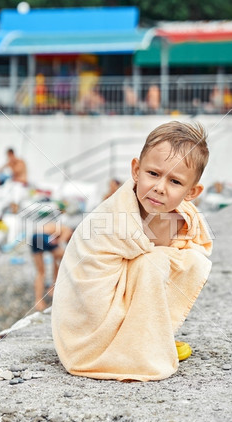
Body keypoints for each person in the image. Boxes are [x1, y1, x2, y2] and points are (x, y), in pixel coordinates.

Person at [52, 121, 213, 382]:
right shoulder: (115, 218)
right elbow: (89, 290)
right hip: (88, 328)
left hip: (116, 297)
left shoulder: (176, 214)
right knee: (158, 263)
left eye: (174, 181)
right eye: (153, 174)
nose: (160, 187)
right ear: (136, 170)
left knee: (185, 260)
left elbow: (195, 246)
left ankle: (149, 334)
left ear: (192, 192)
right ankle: (132, 344)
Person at [32, 222, 73, 312]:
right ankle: (54, 287)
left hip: (35, 237)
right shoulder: (68, 230)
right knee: (67, 257)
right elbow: (61, 242)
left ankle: (38, 300)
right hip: (43, 236)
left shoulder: (55, 227)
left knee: (40, 272)